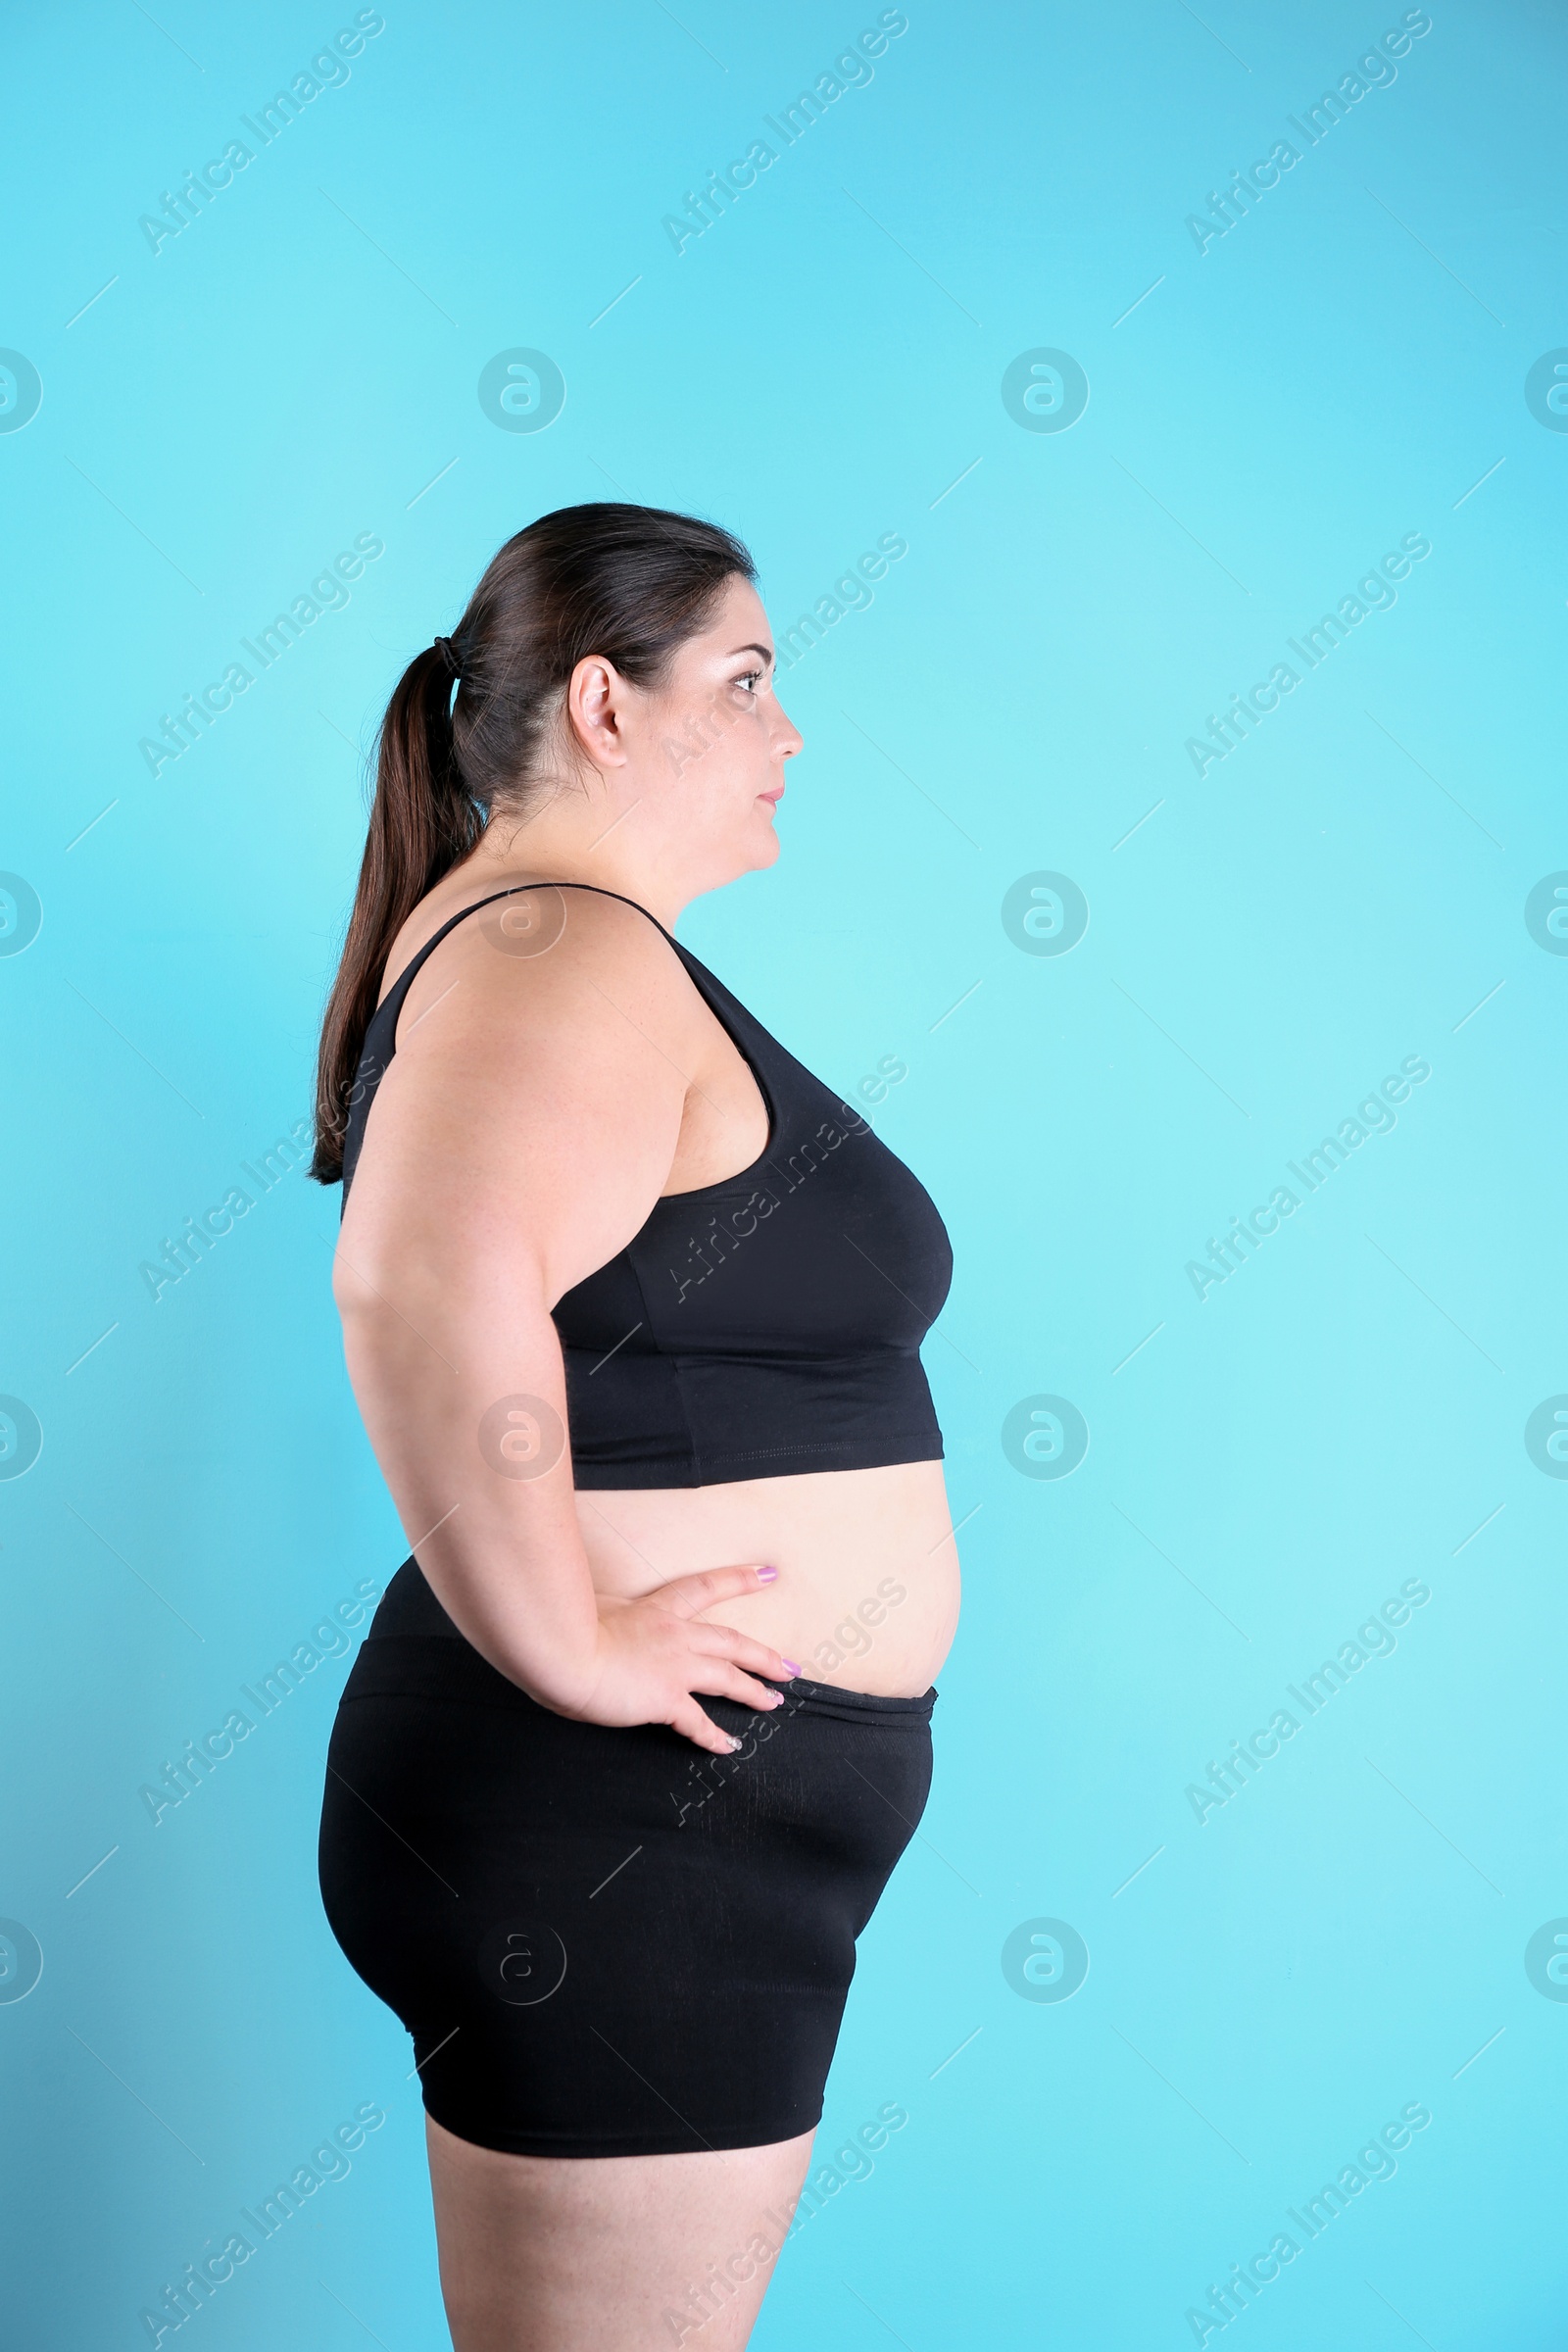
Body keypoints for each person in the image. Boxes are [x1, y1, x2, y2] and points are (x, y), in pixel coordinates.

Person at [312, 502, 960, 2351]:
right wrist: (571, 1646)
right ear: (605, 703)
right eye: (746, 681)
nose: (788, 732)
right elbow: (416, 1286)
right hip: (627, 1837)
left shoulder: (552, 939)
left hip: (666, 1840)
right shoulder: (556, 946)